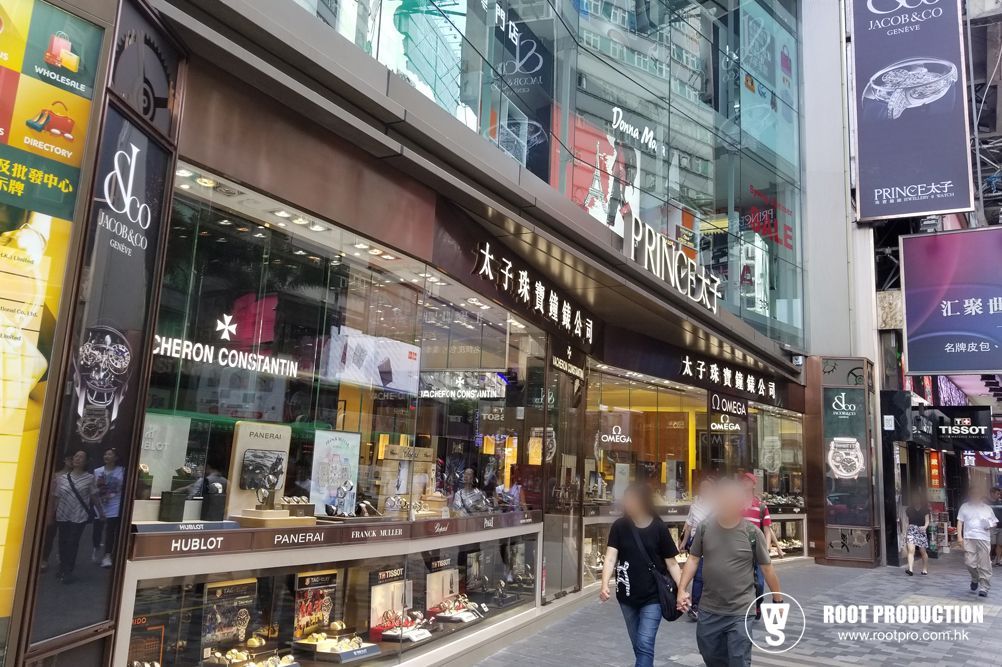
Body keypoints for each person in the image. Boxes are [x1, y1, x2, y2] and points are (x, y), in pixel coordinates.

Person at [677, 479, 783, 667]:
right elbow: (693, 559)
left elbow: (767, 567)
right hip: (709, 608)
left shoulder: (752, 533)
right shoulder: (705, 528)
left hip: (741, 610)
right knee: (709, 653)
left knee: (738, 659)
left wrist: (777, 599)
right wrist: (682, 589)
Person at [599, 481, 682, 667]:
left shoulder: (659, 528)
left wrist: (683, 590)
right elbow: (611, 558)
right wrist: (604, 584)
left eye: (632, 499)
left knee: (644, 643)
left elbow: (672, 564)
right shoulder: (620, 526)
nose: (628, 503)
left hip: (653, 597)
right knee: (638, 644)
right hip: (626, 597)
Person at [49, 450, 104, 583]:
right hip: (63, 513)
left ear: (85, 461)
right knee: (62, 542)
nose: (77, 459)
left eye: (81, 457)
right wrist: (51, 514)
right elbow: (56, 497)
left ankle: (68, 570)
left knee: (73, 542)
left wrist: (101, 512)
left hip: (79, 515)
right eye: (75, 456)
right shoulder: (62, 478)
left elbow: (94, 496)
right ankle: (62, 567)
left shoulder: (90, 478)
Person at [678, 476, 716, 619]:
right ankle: (695, 606)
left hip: (713, 542)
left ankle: (709, 603)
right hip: (696, 542)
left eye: (708, 488)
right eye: (703, 488)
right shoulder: (695, 505)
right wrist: (684, 541)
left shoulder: (717, 506)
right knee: (698, 575)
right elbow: (689, 525)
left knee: (710, 574)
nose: (705, 490)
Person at [958, 482, 998, 597]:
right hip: (969, 538)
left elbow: (994, 522)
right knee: (969, 563)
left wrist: (989, 525)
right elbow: (960, 521)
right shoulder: (964, 506)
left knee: (984, 564)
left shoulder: (987, 508)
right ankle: (975, 578)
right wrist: (959, 537)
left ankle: (984, 587)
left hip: (984, 538)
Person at [92, 448, 125, 568]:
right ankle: (96, 546)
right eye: (105, 454)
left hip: (115, 505)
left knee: (111, 531)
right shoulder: (97, 471)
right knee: (97, 531)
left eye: (110, 454)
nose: (106, 456)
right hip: (100, 505)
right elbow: (94, 490)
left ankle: (107, 555)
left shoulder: (122, 471)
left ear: (116, 458)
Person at [904, 488, 930, 576]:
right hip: (911, 530)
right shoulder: (909, 509)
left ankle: (925, 569)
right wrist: (906, 531)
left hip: (921, 530)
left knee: (923, 551)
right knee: (911, 550)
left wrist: (925, 527)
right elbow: (907, 521)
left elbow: (927, 521)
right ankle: (910, 569)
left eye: (917, 498)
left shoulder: (925, 509)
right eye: (914, 498)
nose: (916, 499)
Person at [989, 487, 1002, 566]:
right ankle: (989, 559)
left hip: (1001, 526)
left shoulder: (1000, 503)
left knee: (1000, 544)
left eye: (999, 494)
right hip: (992, 527)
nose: (999, 495)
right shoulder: (986, 503)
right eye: (997, 494)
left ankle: (998, 560)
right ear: (992, 493)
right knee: (992, 544)